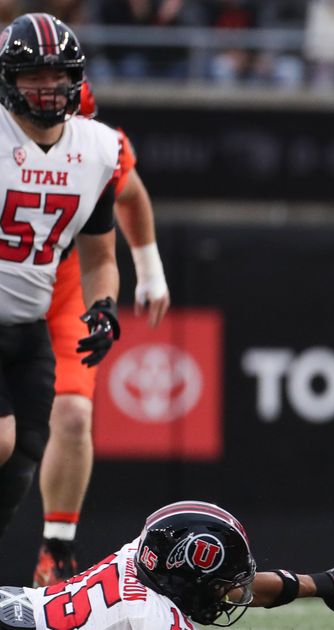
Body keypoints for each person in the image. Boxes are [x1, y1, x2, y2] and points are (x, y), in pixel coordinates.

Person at [34, 80, 170, 587]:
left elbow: (130, 196)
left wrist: (150, 270)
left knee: (73, 413)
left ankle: (56, 548)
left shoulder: (97, 148)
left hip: (66, 288)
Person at [0, 13, 123, 546]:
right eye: (32, 77)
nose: (47, 88)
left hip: (29, 327)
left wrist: (104, 305)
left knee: (21, 463)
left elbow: (99, 255)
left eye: (57, 76)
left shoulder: (96, 148)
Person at [0, 500, 334, 629]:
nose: (225, 596)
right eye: (217, 585)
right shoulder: (153, 618)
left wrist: (321, 583)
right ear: (188, 577)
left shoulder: (140, 552)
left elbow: (236, 588)